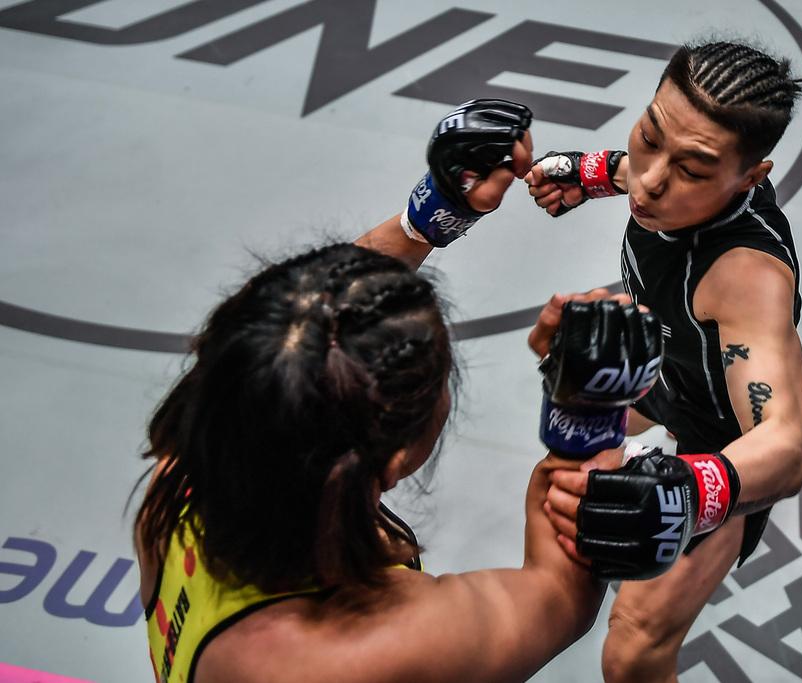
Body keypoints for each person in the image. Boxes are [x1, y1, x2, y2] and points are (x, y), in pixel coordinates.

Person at [133, 99, 612, 683]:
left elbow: (292, 326)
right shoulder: (380, 646)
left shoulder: (186, 476)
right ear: (395, 454)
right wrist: (591, 402)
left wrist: (437, 211)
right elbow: (560, 597)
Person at [525, 40, 802, 681]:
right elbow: (645, 167)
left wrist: (692, 487)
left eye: (693, 169)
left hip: (721, 440)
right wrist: (588, 172)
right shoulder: (664, 174)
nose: (651, 181)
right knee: (568, 415)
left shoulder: (747, 277)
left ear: (750, 178)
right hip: (665, 372)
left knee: (633, 647)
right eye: (649, 136)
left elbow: (787, 447)